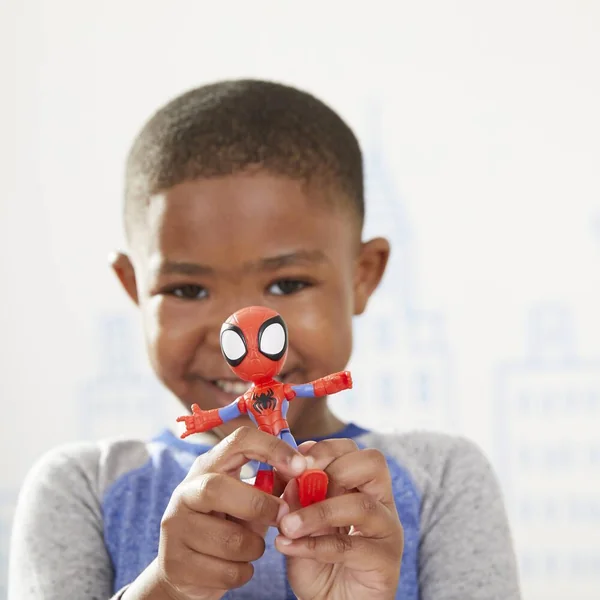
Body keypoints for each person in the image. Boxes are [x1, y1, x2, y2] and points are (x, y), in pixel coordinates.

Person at [8, 79, 521, 600]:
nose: (240, 337)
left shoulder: (441, 479)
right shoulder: (82, 489)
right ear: (133, 288)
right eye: (187, 289)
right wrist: (165, 588)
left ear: (362, 276)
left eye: (287, 285)